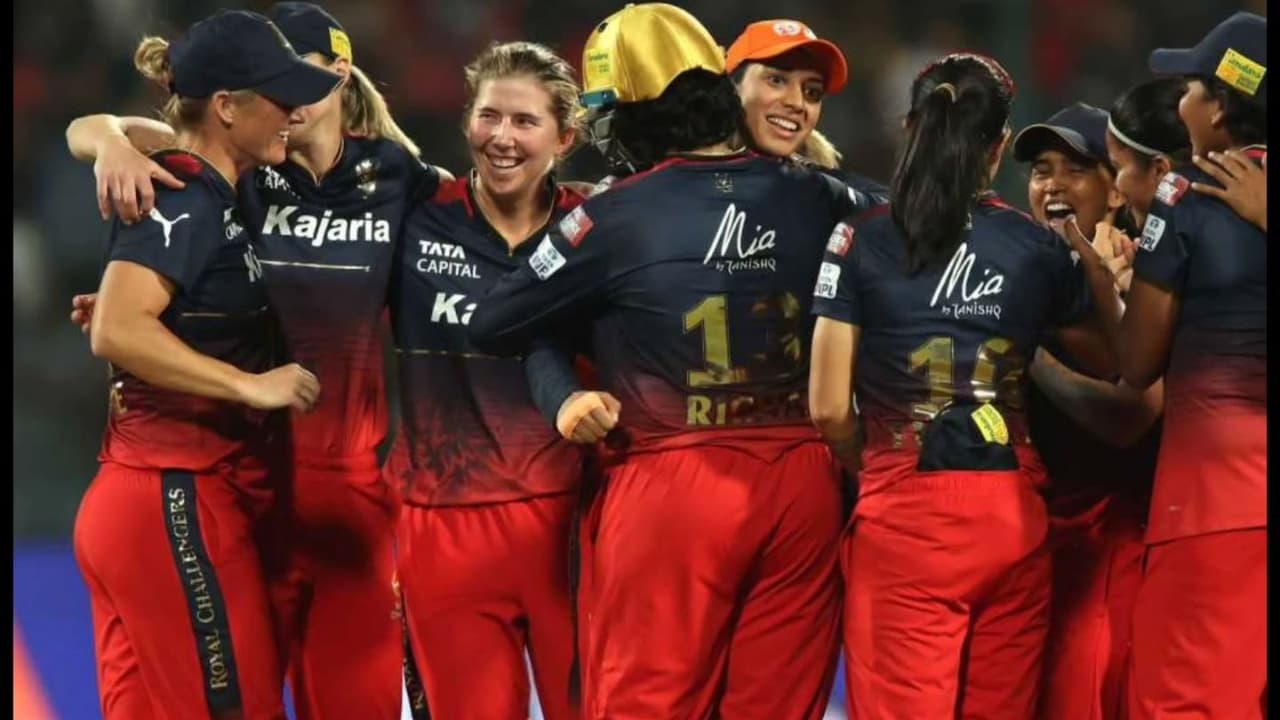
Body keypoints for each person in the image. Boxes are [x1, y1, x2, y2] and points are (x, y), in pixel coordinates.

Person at [468, 5, 871, 718]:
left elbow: (495, 322)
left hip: (670, 484)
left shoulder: (611, 216)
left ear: (635, 111)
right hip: (803, 483)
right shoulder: (822, 195)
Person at [64, 4, 444, 717]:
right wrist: (111, 143)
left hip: (248, 495)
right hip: (196, 492)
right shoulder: (200, 183)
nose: (291, 108)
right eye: (277, 90)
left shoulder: (381, 175)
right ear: (229, 105)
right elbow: (116, 326)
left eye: (301, 85)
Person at [808, 52, 1115, 719]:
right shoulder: (1036, 248)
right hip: (1011, 515)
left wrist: (878, 469)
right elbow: (1115, 361)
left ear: (909, 127)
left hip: (906, 513)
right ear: (999, 146)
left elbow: (828, 408)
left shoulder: (860, 239)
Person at [386, 40, 591, 720]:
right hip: (444, 526)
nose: (502, 137)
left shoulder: (596, 229)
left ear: (564, 137)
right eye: (488, 116)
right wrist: (110, 136)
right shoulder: (416, 217)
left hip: (573, 530)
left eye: (525, 121)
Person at [1089, 13, 1267, 719]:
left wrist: (1099, 283)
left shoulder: (1185, 194)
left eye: (1191, 88)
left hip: (1214, 501)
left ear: (1219, 109)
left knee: (1183, 701)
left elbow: (1137, 364)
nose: (1182, 102)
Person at [1012, 100, 1162, 720]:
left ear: (1116, 189)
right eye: (1041, 170)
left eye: (1075, 170)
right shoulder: (1019, 275)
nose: (1053, 184)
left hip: (1110, 535)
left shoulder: (1146, 271)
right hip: (1033, 540)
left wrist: (1027, 354)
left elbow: (1133, 419)